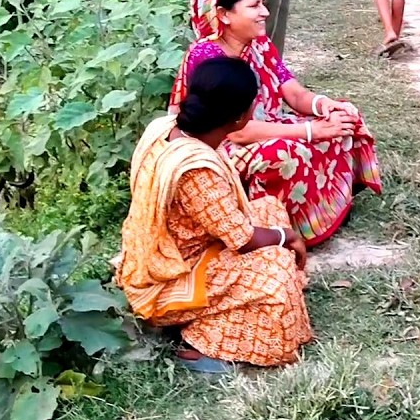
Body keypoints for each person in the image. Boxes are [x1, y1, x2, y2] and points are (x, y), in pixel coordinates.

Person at [117, 56, 313, 372]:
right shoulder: (195, 171)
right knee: (275, 272)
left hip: (166, 252)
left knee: (268, 208)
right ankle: (204, 344)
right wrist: (288, 237)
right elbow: (243, 239)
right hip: (171, 277)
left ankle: (215, 315)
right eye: (253, 104)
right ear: (238, 118)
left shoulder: (164, 127)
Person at [171, 0, 383, 247]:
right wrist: (309, 131)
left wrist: (324, 106)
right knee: (285, 152)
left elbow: (293, 92)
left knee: (344, 116)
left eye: (263, 3)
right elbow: (235, 132)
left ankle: (323, 210)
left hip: (267, 123)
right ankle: (277, 228)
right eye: (254, 5)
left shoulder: (260, 45)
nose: (265, 12)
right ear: (223, 14)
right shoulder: (207, 58)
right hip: (222, 143)